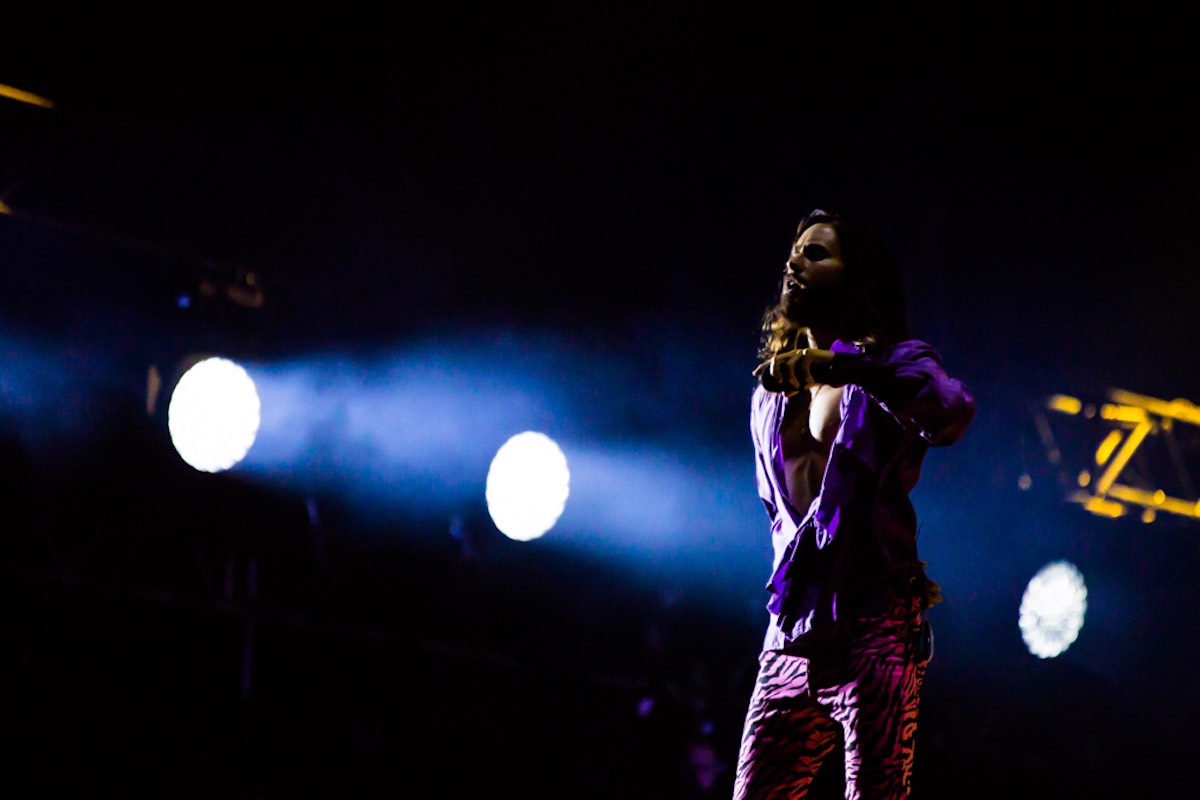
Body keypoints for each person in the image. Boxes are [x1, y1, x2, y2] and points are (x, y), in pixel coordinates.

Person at [731, 208, 975, 799]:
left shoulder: (890, 367)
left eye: (817, 253)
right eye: (795, 251)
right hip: (791, 638)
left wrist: (843, 366)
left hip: (874, 630)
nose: (795, 261)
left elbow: (951, 411)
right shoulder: (770, 394)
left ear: (857, 281)